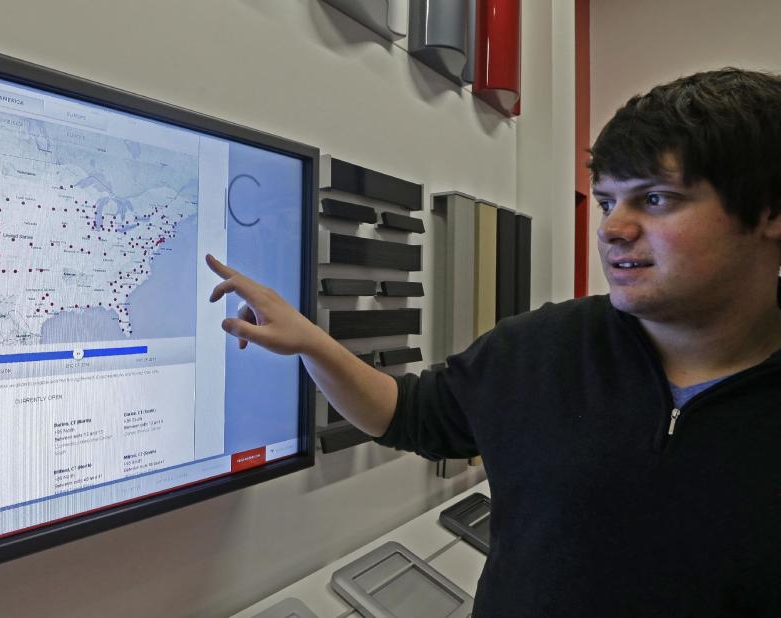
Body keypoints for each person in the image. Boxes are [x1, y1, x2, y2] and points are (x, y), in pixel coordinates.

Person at [207, 67, 781, 617]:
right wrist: (312, 342)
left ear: (769, 212)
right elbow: (407, 414)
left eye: (655, 199)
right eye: (607, 202)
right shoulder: (543, 348)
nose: (612, 228)